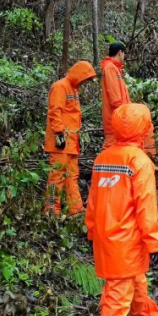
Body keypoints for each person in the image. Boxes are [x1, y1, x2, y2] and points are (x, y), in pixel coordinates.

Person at [85, 103, 158, 316]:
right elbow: (146, 207)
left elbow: (93, 203)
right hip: (127, 243)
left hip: (109, 240)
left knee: (138, 284)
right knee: (116, 301)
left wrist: (91, 232)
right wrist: (156, 244)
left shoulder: (103, 158)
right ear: (144, 127)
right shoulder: (139, 162)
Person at [44, 60, 97, 216]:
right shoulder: (60, 86)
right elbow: (55, 112)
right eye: (85, 79)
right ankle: (52, 209)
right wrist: (59, 134)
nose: (85, 83)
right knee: (56, 176)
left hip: (71, 142)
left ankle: (76, 209)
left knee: (72, 176)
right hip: (60, 142)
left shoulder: (73, 90)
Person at [100, 41, 156, 157]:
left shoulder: (114, 68)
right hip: (117, 119)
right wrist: (127, 116)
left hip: (120, 117)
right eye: (124, 54)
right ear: (120, 53)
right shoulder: (110, 68)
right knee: (110, 149)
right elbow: (115, 100)